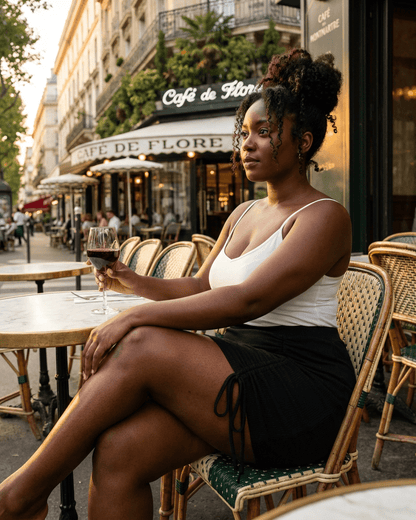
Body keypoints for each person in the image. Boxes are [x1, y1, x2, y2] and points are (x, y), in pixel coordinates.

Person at [0, 49, 355, 520]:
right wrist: (133, 281)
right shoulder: (244, 213)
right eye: (244, 132)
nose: (246, 144)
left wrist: (134, 315)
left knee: (141, 342)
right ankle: (23, 497)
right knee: (119, 451)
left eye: (264, 133)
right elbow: (199, 287)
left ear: (304, 142)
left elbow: (245, 301)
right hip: (235, 373)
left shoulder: (324, 217)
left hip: (300, 392)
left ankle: (19, 496)